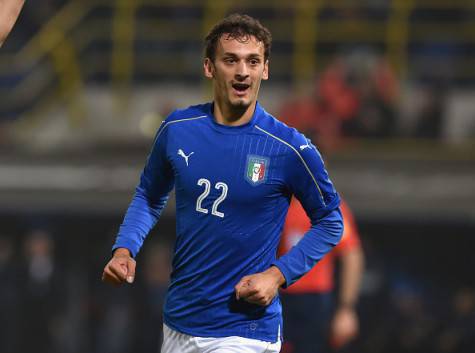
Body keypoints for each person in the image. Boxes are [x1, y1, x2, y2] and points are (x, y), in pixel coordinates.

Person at [102, 13, 343, 353]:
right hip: (179, 322)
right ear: (209, 67)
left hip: (245, 329)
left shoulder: (289, 148)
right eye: (230, 60)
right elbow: (149, 195)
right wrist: (125, 248)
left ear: (265, 69)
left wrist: (276, 275)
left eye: (253, 61)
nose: (242, 71)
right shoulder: (177, 129)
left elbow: (331, 221)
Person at [279, 198, 364, 353]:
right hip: (280, 296)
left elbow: (351, 254)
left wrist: (346, 309)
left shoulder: (327, 203)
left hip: (316, 299)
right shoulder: (278, 201)